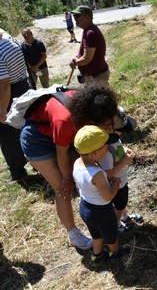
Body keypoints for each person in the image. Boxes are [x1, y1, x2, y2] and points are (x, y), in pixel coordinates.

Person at [20, 82, 119, 250]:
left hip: (66, 137)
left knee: (86, 175)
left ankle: (107, 218)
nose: (110, 129)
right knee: (63, 188)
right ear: (92, 121)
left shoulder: (96, 104)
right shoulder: (65, 119)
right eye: (106, 126)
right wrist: (66, 177)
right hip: (37, 142)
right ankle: (73, 234)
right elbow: (61, 151)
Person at [73, 125, 129, 262]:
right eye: (104, 148)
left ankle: (97, 255)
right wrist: (115, 185)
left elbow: (82, 185)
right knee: (111, 234)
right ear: (94, 153)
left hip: (85, 207)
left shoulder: (77, 163)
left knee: (96, 234)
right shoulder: (97, 173)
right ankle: (115, 252)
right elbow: (108, 196)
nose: (107, 149)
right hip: (101, 211)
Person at [98, 107, 142, 233]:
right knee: (119, 204)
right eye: (119, 130)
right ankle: (116, 224)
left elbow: (117, 146)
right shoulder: (105, 149)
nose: (121, 133)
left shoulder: (113, 140)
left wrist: (124, 149)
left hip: (121, 180)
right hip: (116, 183)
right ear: (109, 129)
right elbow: (108, 173)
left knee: (121, 204)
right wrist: (125, 161)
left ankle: (125, 217)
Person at [0, 29, 31, 182]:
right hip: (23, 88)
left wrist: (2, 110)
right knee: (26, 125)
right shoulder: (10, 40)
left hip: (10, 93)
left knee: (6, 134)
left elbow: (4, 85)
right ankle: (37, 160)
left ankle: (18, 172)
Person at [69, 5, 110, 85]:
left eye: (77, 16)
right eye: (74, 16)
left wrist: (75, 63)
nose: (75, 19)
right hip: (94, 76)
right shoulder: (88, 30)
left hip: (97, 77)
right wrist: (76, 58)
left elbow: (87, 58)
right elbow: (85, 54)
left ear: (87, 17)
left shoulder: (90, 33)